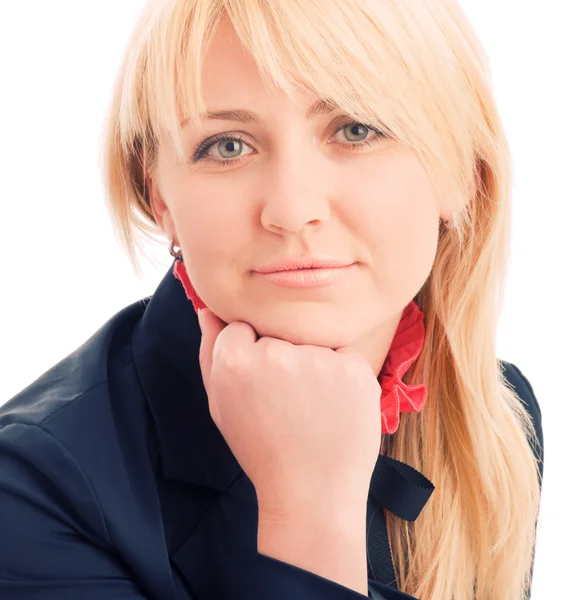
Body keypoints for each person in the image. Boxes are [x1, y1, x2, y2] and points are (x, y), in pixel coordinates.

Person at [0, 0, 544, 599]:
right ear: (162, 201)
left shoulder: (496, 420)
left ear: (462, 170)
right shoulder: (29, 493)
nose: (291, 209)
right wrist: (307, 514)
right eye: (228, 146)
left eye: (356, 129)